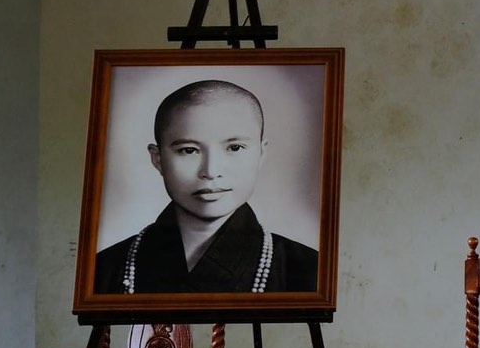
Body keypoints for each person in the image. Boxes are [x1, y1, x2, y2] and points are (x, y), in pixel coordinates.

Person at [93, 79, 319, 294]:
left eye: (235, 148)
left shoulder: (307, 269)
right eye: (189, 150)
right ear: (157, 158)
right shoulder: (105, 269)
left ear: (261, 153)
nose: (211, 171)